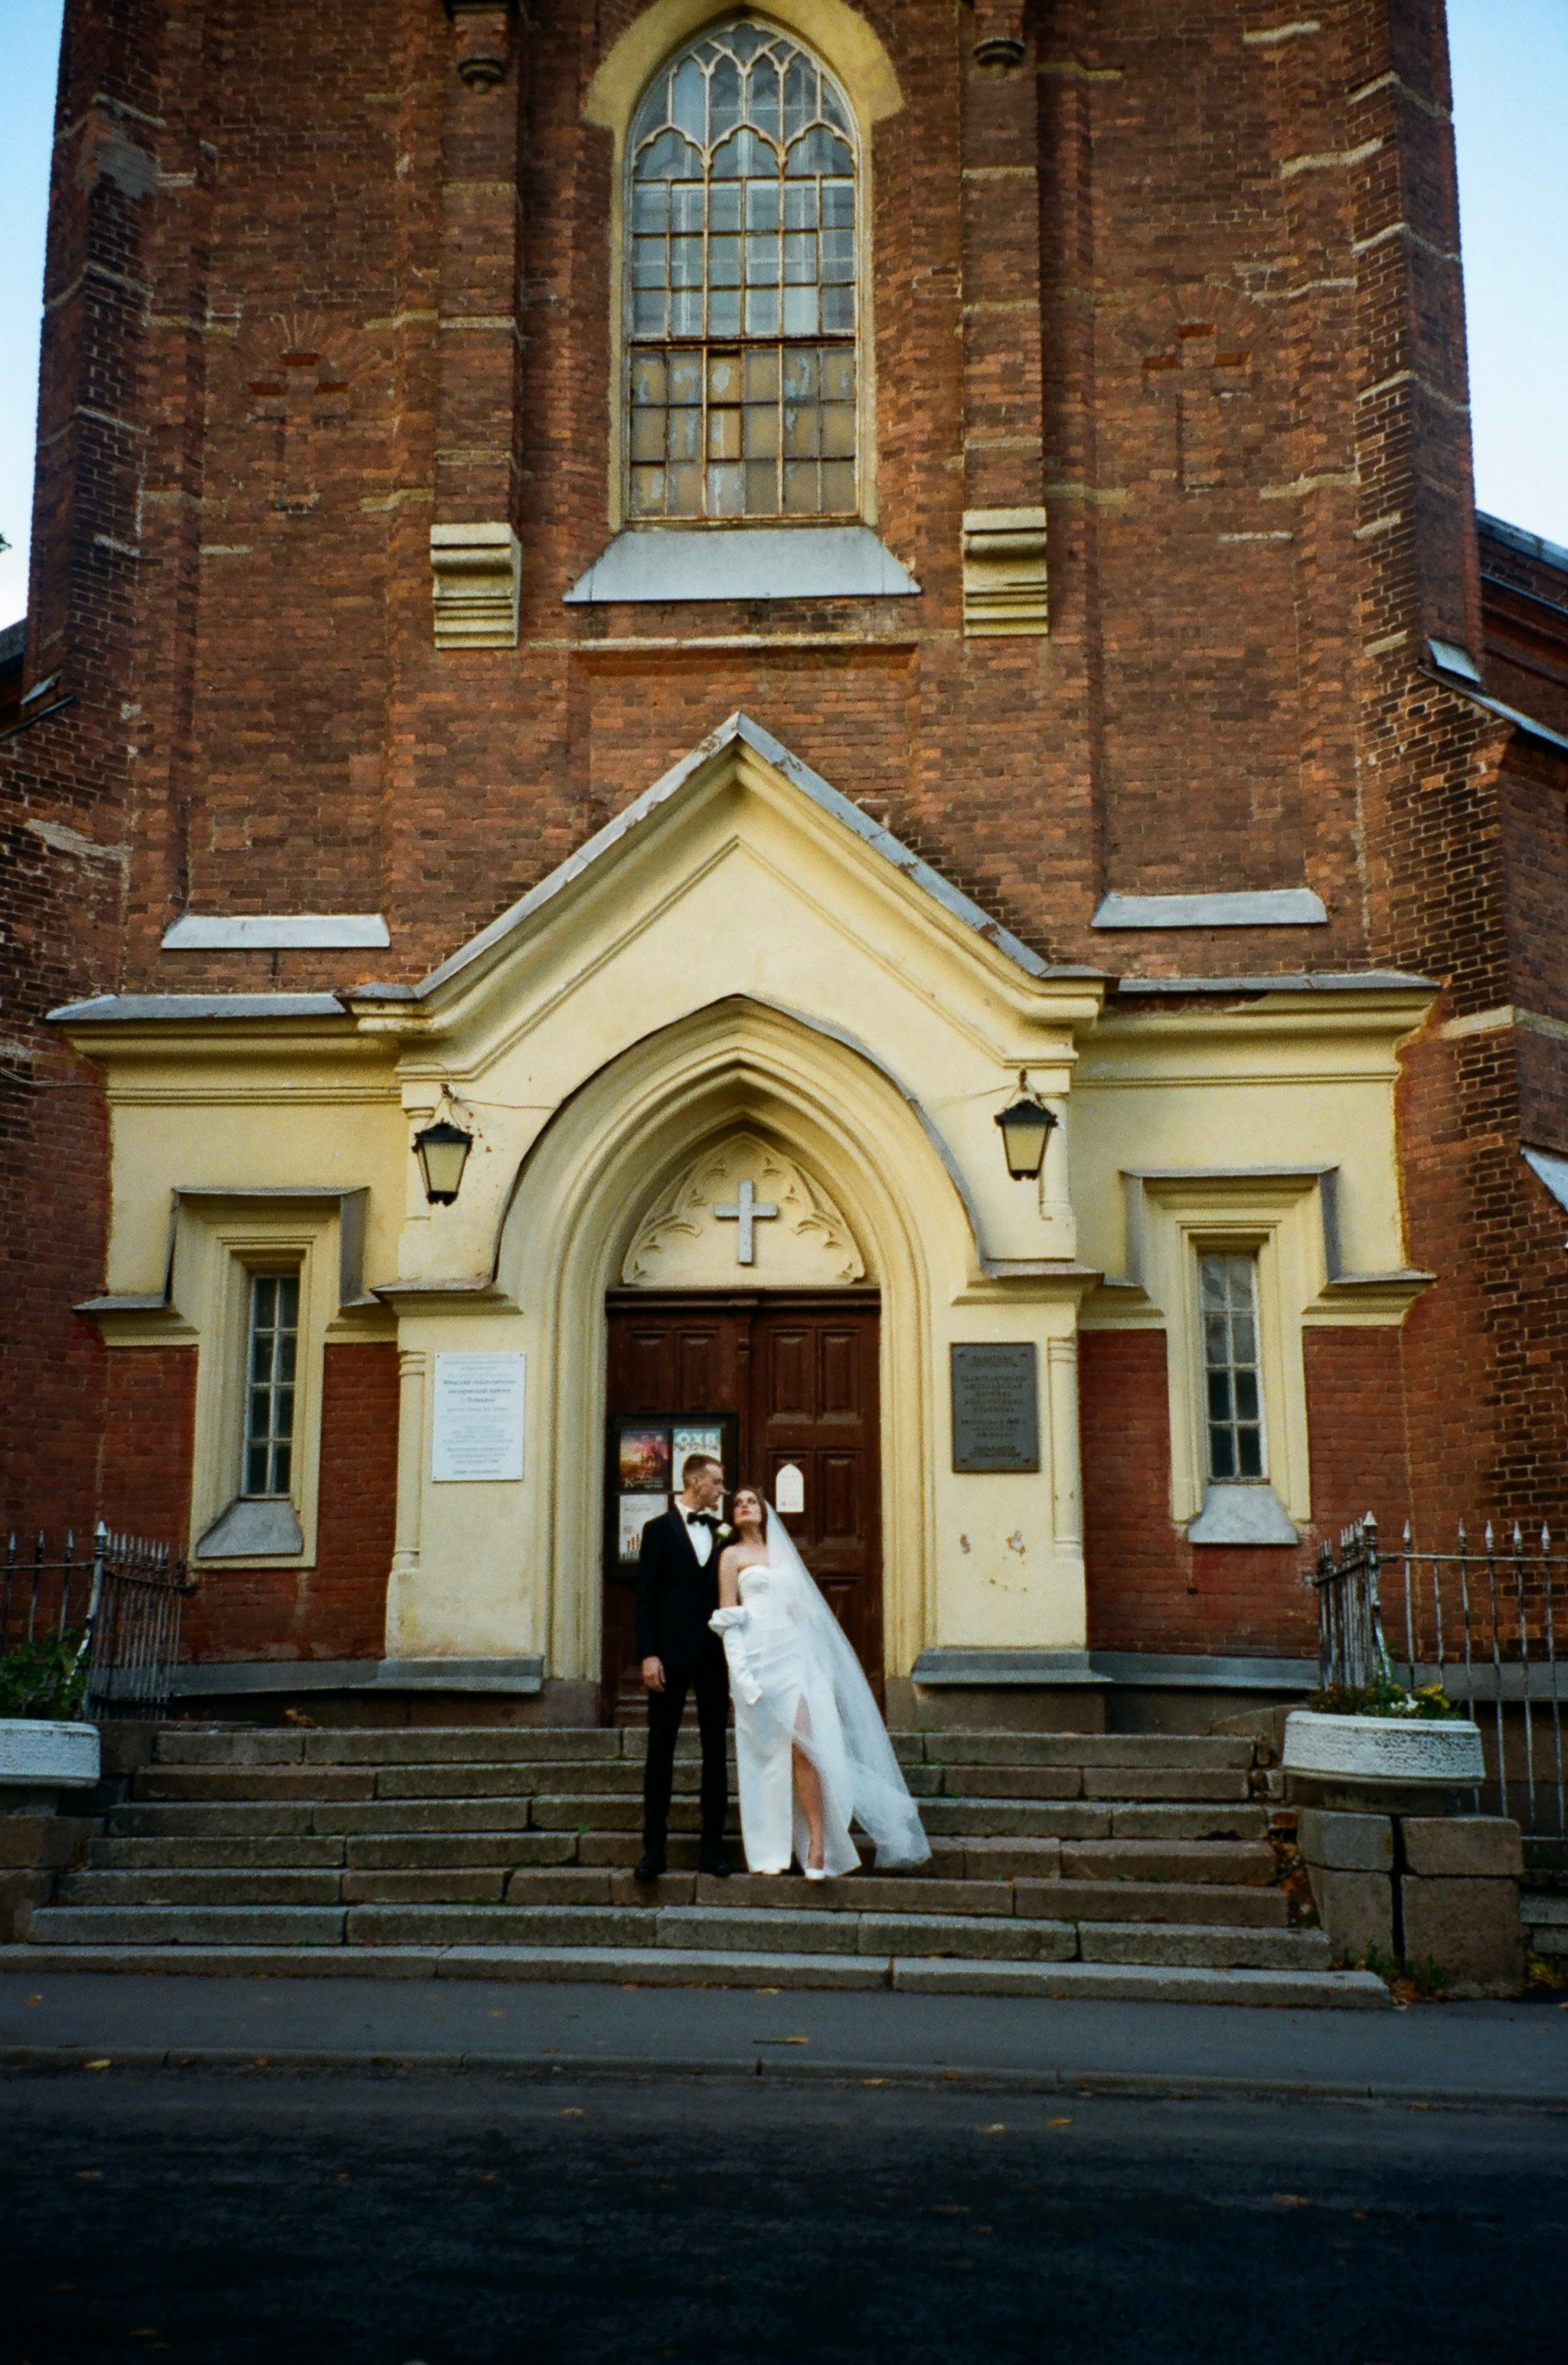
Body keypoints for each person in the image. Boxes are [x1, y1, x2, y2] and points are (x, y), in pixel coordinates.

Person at [709, 1488, 931, 1879]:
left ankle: (818, 1844)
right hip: (759, 1661)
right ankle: (770, 1847)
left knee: (803, 1747)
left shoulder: (783, 1556)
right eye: (738, 1502)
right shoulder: (731, 1557)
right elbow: (728, 1620)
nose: (744, 1506)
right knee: (765, 1757)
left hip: (794, 1658)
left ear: (763, 1512)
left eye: (751, 1502)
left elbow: (803, 1612)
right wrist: (739, 1675)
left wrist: (819, 1664)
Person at [634, 1452, 733, 1884]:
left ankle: (712, 1848)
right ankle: (653, 1851)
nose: (722, 1491)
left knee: (716, 1751)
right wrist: (649, 1654)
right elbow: (646, 1598)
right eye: (717, 1483)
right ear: (694, 1481)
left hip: (714, 1657)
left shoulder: (722, 1530)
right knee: (661, 1751)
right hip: (669, 1659)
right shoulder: (656, 1531)